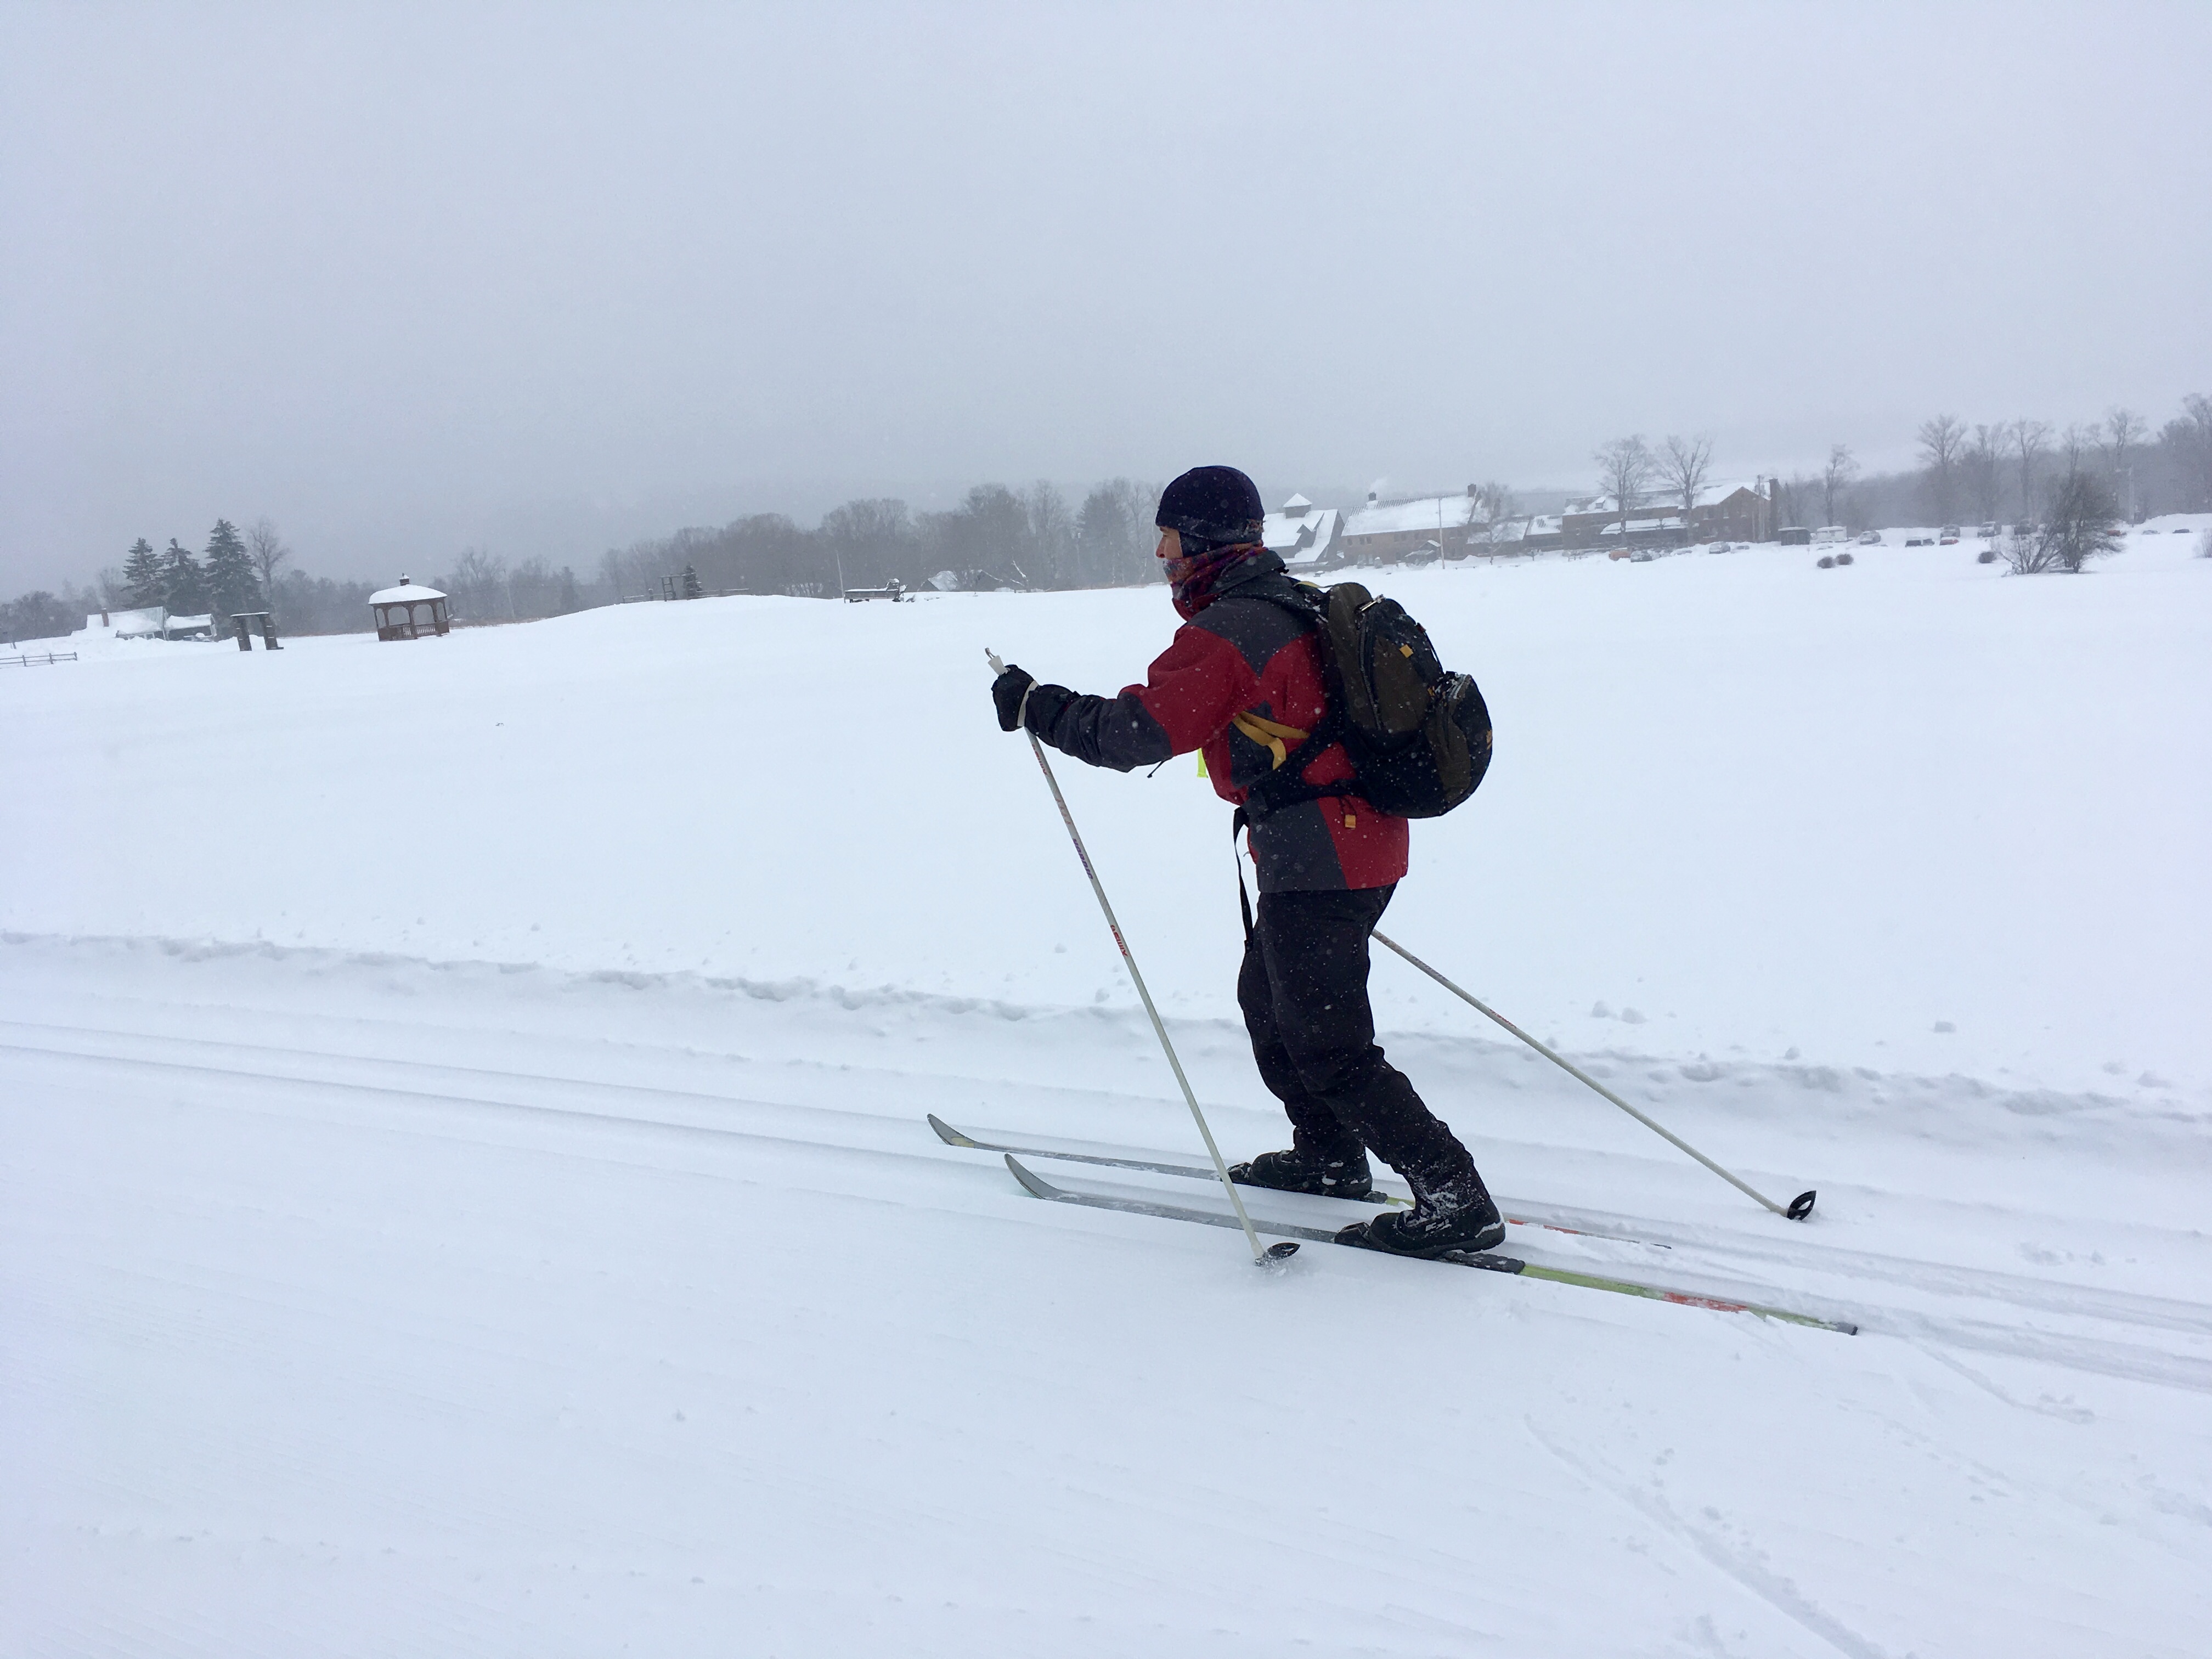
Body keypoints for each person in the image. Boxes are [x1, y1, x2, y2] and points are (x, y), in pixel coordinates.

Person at [988, 465, 1504, 1258]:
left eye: (1167, 533)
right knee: (1269, 999)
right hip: (1345, 844)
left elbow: (1139, 734)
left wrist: (1039, 706)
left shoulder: (1234, 629)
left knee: (1328, 1041)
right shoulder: (1286, 601)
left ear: (1201, 540)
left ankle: (1455, 1197)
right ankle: (1330, 1157)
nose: (1158, 549)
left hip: (1324, 854)